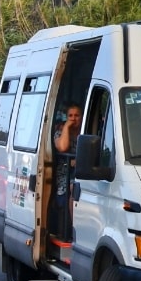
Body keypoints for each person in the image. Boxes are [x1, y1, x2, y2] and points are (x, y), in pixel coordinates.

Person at [50, 103, 81, 243]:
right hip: (65, 173)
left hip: (83, 171)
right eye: (70, 116)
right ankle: (73, 230)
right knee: (73, 188)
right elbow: (62, 147)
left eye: (76, 115)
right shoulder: (60, 131)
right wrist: (67, 128)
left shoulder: (87, 130)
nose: (73, 119)